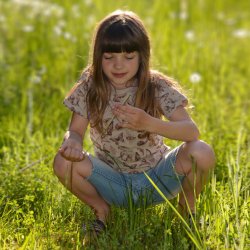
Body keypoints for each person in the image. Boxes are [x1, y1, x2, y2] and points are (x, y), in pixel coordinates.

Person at [53, 9, 215, 241]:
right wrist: (72, 142)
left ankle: (186, 212)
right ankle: (101, 211)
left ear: (142, 56)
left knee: (201, 151)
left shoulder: (155, 85)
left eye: (128, 57)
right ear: (98, 57)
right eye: (109, 57)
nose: (118, 65)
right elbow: (76, 130)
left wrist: (149, 123)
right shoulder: (91, 86)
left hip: (157, 178)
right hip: (112, 182)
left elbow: (191, 131)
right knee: (62, 162)